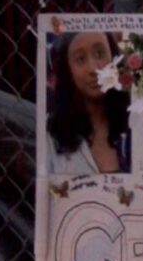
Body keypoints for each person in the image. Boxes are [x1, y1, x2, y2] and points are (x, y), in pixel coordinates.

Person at [47, 32, 131, 175]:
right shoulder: (49, 133)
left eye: (99, 53)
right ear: (68, 70)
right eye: (80, 59)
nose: (93, 69)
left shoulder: (139, 120)